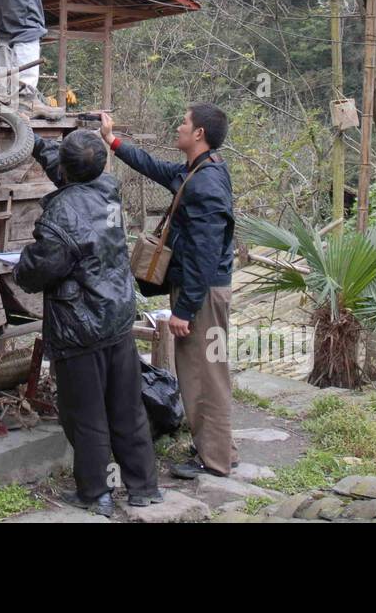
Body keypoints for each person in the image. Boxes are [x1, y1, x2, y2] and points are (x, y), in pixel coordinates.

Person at [14, 129, 161, 515]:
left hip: (80, 328)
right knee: (127, 407)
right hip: (116, 317)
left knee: (86, 414)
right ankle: (144, 487)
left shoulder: (60, 215)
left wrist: (24, 262)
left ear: (66, 169)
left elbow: (37, 271)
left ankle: (96, 492)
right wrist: (30, 137)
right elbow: (70, 169)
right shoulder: (107, 188)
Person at [100, 104, 237, 479]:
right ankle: (221, 449)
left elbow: (205, 254)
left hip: (203, 294)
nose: (179, 126)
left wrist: (186, 310)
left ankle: (216, 462)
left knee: (203, 375)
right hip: (202, 291)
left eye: (185, 122)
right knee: (209, 372)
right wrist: (113, 141)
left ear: (199, 135)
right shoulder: (198, 171)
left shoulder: (206, 185)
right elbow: (154, 167)